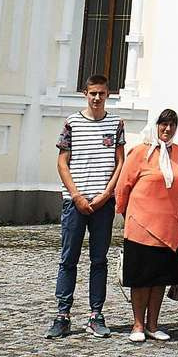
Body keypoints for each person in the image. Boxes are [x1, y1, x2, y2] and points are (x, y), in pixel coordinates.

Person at [48, 74, 125, 340]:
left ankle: (95, 315)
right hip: (74, 202)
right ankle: (62, 315)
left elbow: (120, 163)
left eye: (101, 94)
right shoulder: (72, 123)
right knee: (68, 259)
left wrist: (106, 194)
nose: (96, 98)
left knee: (99, 260)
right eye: (92, 93)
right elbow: (62, 162)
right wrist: (76, 195)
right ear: (85, 93)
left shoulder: (116, 124)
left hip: (102, 204)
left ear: (108, 95)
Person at [114, 108, 178, 343]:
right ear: (155, 125)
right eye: (163, 124)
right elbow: (123, 186)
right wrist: (128, 215)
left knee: (159, 279)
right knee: (141, 278)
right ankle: (137, 323)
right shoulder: (140, 152)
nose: (167, 129)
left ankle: (153, 324)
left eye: (172, 125)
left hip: (168, 227)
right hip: (142, 225)